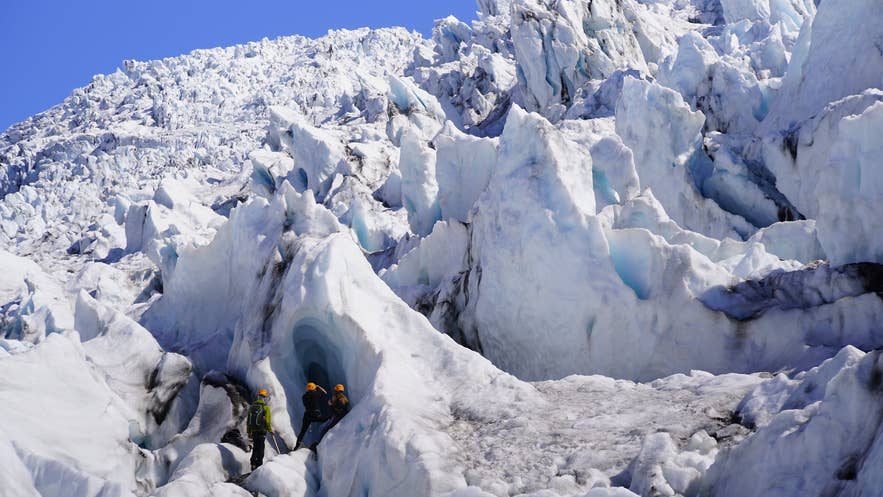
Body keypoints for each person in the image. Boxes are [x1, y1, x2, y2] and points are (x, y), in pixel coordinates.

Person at [294, 382, 328, 450]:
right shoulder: (316, 394)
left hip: (307, 415)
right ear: (313, 388)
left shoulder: (304, 396)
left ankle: (296, 446)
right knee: (328, 420)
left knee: (302, 431)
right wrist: (318, 386)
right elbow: (325, 393)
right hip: (315, 414)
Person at [246, 388, 273, 471]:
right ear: (264, 397)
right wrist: (270, 430)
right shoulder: (265, 408)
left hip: (254, 430)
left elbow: (248, 420)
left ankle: (253, 463)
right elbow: (267, 421)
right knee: (261, 448)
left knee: (255, 447)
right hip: (262, 430)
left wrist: (249, 431)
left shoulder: (252, 406)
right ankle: (259, 465)